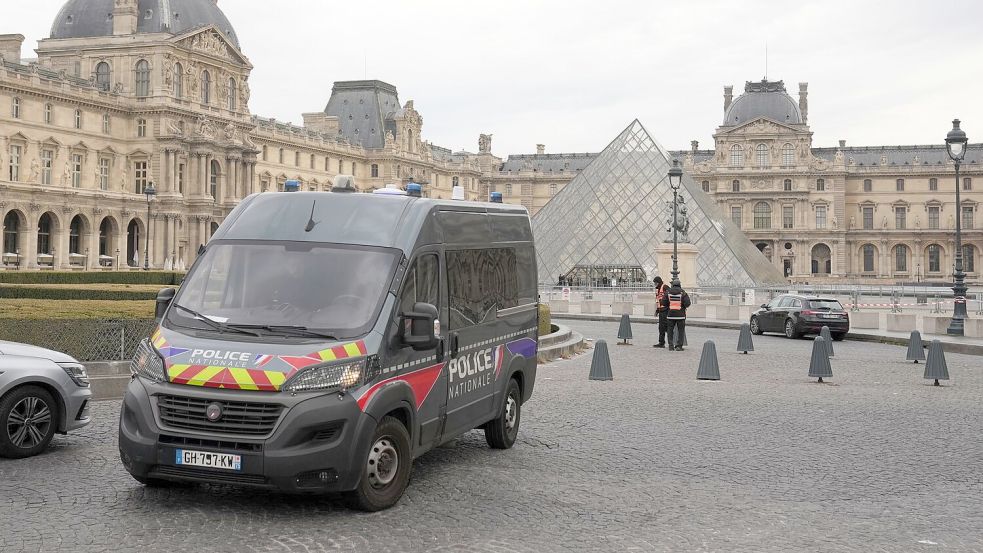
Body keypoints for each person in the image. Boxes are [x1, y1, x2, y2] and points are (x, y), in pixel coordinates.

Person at [660, 280, 691, 351]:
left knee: (670, 330)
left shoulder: (668, 292)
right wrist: (683, 306)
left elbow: (663, 302)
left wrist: (669, 305)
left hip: (670, 315)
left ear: (672, 285)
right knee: (681, 331)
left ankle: (671, 345)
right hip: (681, 315)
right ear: (679, 285)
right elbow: (687, 303)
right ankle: (679, 346)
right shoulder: (683, 292)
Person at [652, 276, 669, 348]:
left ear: (659, 282)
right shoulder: (657, 289)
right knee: (661, 328)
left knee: (667, 327)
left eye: (656, 283)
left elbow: (669, 297)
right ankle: (661, 342)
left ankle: (671, 342)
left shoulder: (665, 287)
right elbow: (658, 301)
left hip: (666, 310)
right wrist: (657, 311)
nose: (655, 284)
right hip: (661, 311)